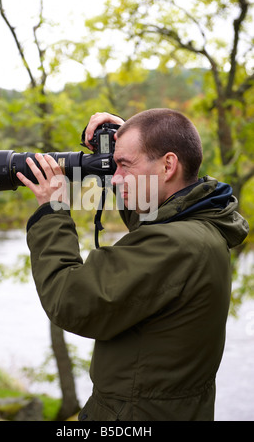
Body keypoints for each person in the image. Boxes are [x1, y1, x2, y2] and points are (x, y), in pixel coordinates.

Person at [17, 109, 249, 421]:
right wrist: (126, 134)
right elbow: (153, 213)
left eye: (124, 165)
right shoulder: (204, 223)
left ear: (168, 165)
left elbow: (69, 299)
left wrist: (52, 209)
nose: (114, 177)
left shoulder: (174, 245)